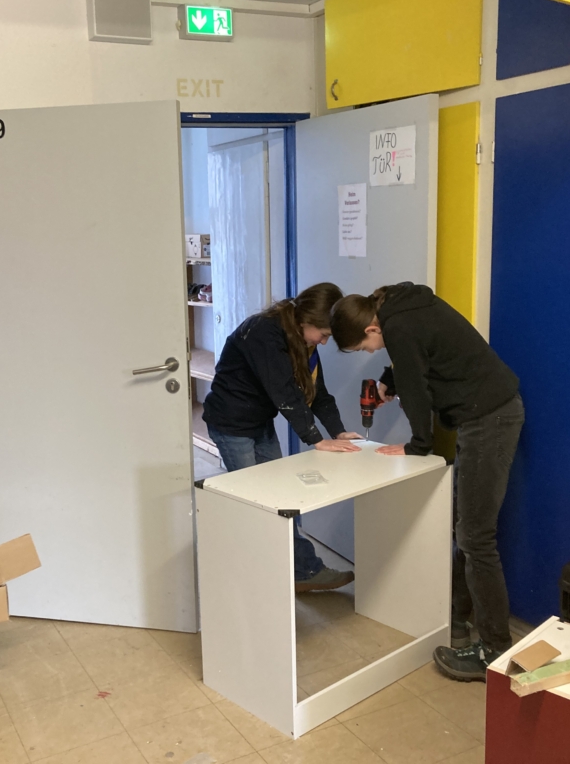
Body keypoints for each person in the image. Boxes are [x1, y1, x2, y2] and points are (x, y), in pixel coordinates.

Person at [330, 282, 524, 681]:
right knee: (466, 528)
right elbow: (419, 355)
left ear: (371, 328)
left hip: (489, 419)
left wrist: (418, 445)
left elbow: (417, 387)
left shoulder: (398, 326)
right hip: (486, 412)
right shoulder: (399, 308)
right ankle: (455, 617)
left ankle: (494, 649)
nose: (371, 352)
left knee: (475, 536)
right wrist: (390, 380)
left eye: (365, 347)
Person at [203, 282, 363, 593]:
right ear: (306, 320)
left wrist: (338, 432)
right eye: (323, 334)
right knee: (257, 503)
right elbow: (285, 393)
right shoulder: (265, 332)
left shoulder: (302, 341)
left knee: (279, 500)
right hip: (232, 424)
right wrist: (316, 439)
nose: (324, 342)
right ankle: (260, 578)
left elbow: (317, 393)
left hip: (259, 421)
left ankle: (299, 571)